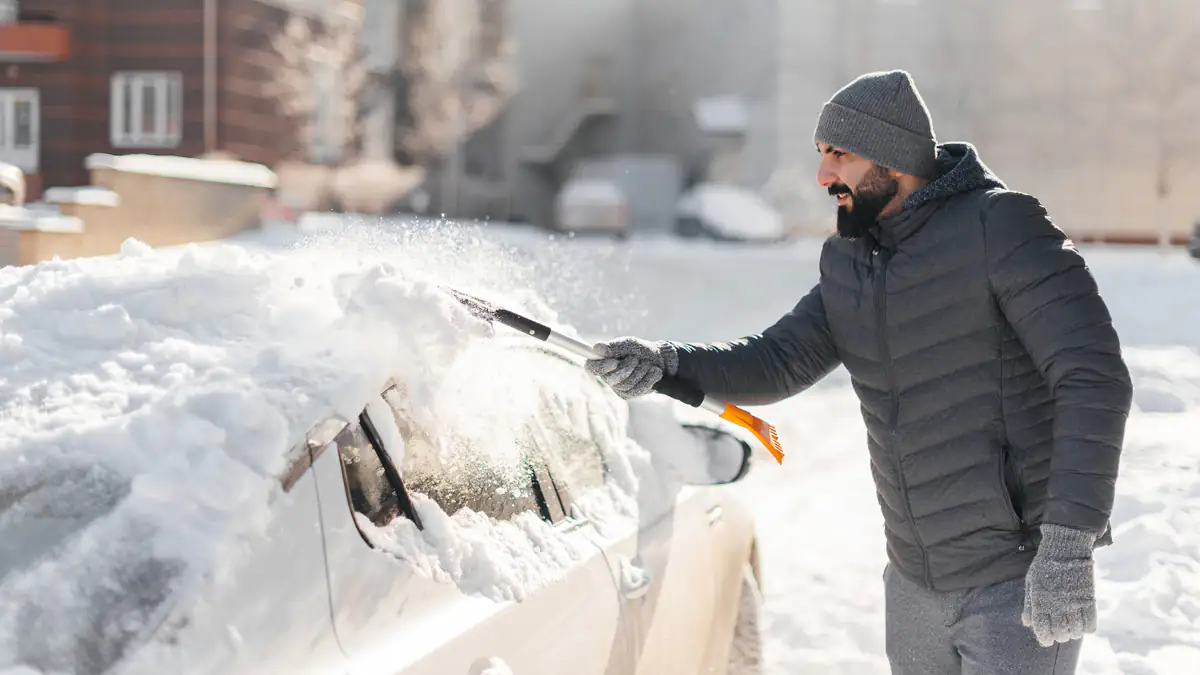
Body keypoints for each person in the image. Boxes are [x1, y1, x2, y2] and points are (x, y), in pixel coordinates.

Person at [585, 70, 1133, 675]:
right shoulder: (851, 260)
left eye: (838, 155)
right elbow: (778, 359)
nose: (823, 176)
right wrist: (667, 364)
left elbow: (1093, 377)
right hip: (913, 585)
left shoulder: (1000, 228)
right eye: (821, 155)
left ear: (892, 157)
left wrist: (1068, 542)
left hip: (1015, 581)